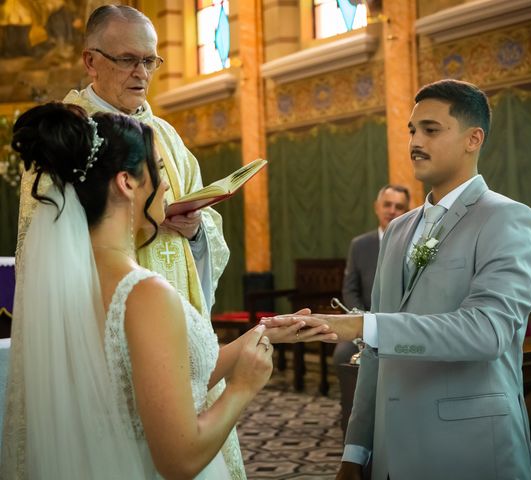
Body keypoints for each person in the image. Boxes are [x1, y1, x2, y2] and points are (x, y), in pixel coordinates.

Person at [0, 103, 334, 479]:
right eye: (157, 170)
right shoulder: (143, 293)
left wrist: (257, 337)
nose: (165, 185)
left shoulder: (70, 282)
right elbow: (180, 460)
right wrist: (243, 387)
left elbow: (158, 384)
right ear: (127, 183)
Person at [0, 5, 244, 477]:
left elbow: (207, 223)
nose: (142, 73)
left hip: (173, 320)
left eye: (150, 61)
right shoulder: (69, 137)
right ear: (91, 61)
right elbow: (47, 246)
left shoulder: (168, 136)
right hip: (105, 329)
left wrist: (197, 231)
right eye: (128, 59)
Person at [264, 79, 531, 479]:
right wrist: (355, 450)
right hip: (394, 455)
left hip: (471, 449)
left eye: (431, 130)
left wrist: (360, 324)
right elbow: (377, 351)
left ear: (473, 139)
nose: (415, 141)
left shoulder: (507, 218)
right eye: (412, 130)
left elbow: (489, 331)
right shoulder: (397, 231)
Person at [335, 184, 410, 367]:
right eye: (387, 205)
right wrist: (364, 323)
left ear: (408, 212)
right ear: (377, 207)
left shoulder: (414, 245)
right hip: (364, 323)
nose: (392, 211)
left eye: (398, 207)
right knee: (341, 355)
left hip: (401, 326)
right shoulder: (359, 245)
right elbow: (350, 290)